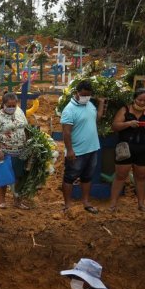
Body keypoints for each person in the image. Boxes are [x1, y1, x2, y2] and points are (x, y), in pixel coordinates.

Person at [108, 88, 145, 212]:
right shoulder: (124, 110)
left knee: (141, 176)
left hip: (143, 148)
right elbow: (115, 126)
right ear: (134, 99)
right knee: (120, 175)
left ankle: (141, 204)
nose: (142, 103)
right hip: (125, 148)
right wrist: (128, 124)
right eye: (139, 100)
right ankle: (113, 204)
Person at [60, 79, 106, 213]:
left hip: (92, 149)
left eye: (88, 95)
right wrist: (69, 150)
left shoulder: (90, 104)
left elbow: (96, 118)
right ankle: (68, 205)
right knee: (69, 177)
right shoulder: (69, 110)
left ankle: (86, 202)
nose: (86, 97)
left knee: (87, 177)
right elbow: (66, 132)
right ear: (77, 93)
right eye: (84, 94)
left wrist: (101, 103)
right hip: (77, 151)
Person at [0, 92, 31, 209]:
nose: (12, 108)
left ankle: (17, 201)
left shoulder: (20, 112)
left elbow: (26, 128)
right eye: (9, 105)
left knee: (19, 176)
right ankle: (2, 201)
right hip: (4, 152)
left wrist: (29, 144)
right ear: (4, 105)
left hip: (20, 151)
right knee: (3, 176)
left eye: (14, 105)